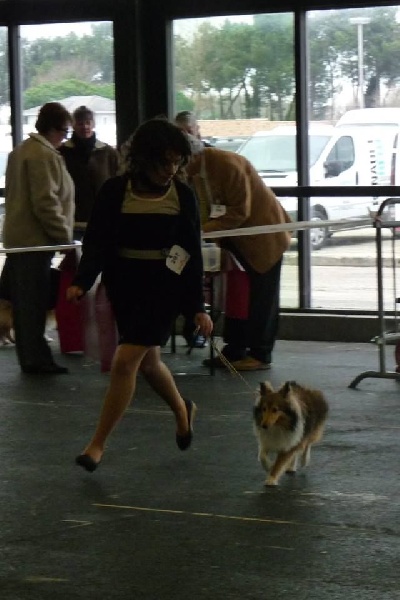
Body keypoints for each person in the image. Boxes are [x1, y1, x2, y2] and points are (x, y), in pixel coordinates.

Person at [67, 118, 213, 472]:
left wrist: (196, 306)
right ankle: (182, 410)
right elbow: (97, 241)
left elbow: (190, 252)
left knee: (125, 361)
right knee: (148, 363)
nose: (171, 169)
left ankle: (96, 445)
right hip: (124, 285)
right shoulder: (115, 191)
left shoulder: (183, 196)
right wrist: (82, 281)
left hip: (164, 287)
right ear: (144, 158)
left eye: (177, 161)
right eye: (164, 162)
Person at [185, 136, 292, 371]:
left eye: (179, 161)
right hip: (233, 240)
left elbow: (240, 212)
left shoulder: (227, 164)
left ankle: (260, 354)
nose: (176, 168)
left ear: (192, 156)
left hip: (263, 238)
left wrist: (201, 231)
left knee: (262, 298)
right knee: (236, 296)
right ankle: (234, 350)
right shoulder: (197, 170)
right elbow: (205, 207)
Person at [3, 102, 75, 374]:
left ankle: (33, 357)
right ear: (54, 129)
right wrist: (65, 238)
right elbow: (46, 202)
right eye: (65, 132)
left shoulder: (22, 151)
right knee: (32, 304)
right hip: (34, 241)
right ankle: (36, 359)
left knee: (25, 303)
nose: (65, 138)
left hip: (21, 240)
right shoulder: (42, 155)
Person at [174, 110, 211, 347]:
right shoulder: (175, 163)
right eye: (181, 132)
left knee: (198, 276)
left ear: (197, 130)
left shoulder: (209, 156)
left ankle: (194, 325)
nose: (186, 137)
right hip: (184, 228)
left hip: (206, 226)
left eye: (189, 131)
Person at [59, 105, 119, 238]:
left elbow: (117, 182)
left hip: (102, 218)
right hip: (71, 219)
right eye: (80, 123)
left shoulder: (108, 152)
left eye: (88, 122)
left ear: (93, 124)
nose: (85, 126)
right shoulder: (62, 152)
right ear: (73, 125)